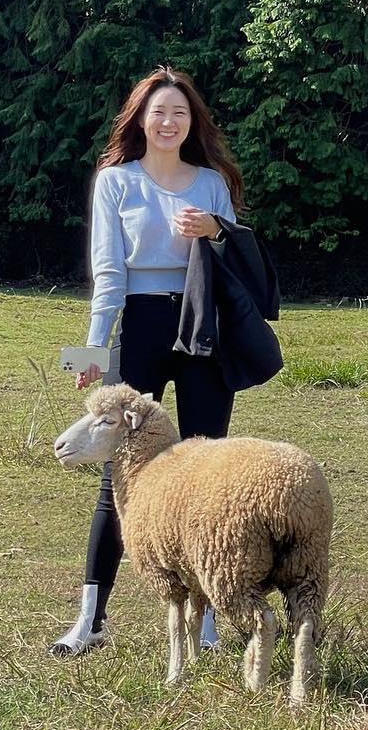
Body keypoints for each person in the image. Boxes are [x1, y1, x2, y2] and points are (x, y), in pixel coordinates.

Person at [51, 65, 244, 657]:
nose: (168, 121)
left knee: (207, 473)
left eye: (179, 112)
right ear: (140, 118)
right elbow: (108, 273)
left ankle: (207, 625)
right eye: (158, 111)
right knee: (120, 475)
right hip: (140, 325)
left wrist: (216, 228)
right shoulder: (116, 181)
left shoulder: (211, 182)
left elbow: (238, 257)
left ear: (192, 122)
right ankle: (90, 620)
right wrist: (92, 349)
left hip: (203, 325)